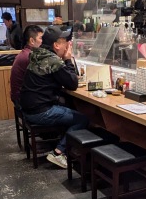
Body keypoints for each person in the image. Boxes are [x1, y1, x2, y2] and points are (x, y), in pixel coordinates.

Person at [20, 26, 89, 169]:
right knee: (83, 119)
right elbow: (72, 84)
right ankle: (59, 152)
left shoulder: (37, 54)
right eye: (65, 42)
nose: (68, 45)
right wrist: (68, 60)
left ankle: (71, 147)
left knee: (69, 107)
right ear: (56, 45)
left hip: (28, 108)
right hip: (40, 112)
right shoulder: (53, 60)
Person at [10, 25, 44, 105]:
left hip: (20, 98)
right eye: (41, 38)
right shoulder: (30, 56)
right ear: (32, 41)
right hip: (24, 101)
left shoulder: (26, 52)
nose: (43, 41)